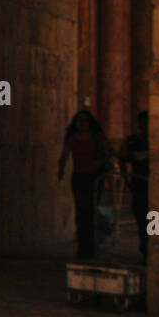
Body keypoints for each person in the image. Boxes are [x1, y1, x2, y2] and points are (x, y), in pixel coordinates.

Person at [56, 109, 112, 260]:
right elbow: (64, 155)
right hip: (79, 177)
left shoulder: (97, 137)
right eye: (79, 121)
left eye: (84, 121)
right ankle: (83, 247)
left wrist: (99, 162)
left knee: (91, 212)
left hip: (94, 177)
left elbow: (109, 153)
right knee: (82, 212)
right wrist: (60, 170)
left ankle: (92, 246)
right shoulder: (72, 138)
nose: (81, 124)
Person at [119, 110, 150, 262]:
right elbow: (122, 159)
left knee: (155, 218)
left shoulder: (158, 140)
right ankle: (145, 248)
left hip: (155, 188)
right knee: (141, 218)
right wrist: (127, 180)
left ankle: (151, 250)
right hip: (139, 185)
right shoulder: (131, 142)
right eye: (143, 122)